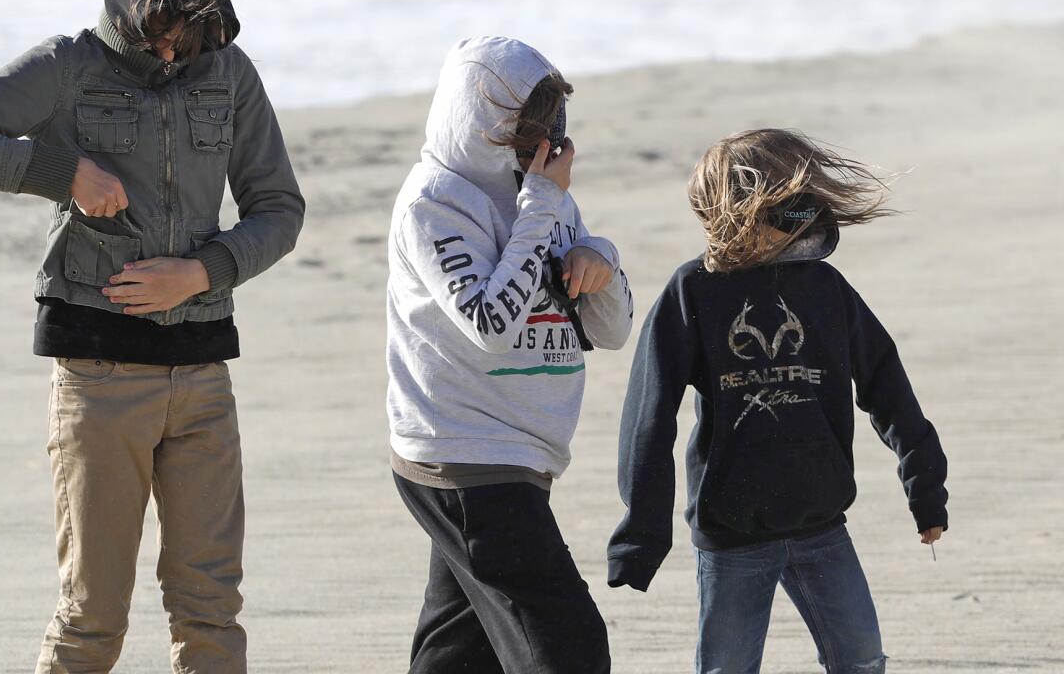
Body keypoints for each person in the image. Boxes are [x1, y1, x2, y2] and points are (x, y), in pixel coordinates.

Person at [0, 0, 304, 673]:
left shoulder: (230, 73)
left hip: (204, 378)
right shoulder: (67, 66)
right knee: (93, 619)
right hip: (98, 381)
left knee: (211, 612)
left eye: (183, 44)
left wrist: (205, 271)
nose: (168, 56)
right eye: (156, 39)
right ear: (127, 13)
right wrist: (62, 172)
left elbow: (279, 208)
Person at [606, 128, 948, 674]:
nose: (801, 221)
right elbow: (648, 417)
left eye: (804, 206)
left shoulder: (824, 288)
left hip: (821, 523)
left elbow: (886, 385)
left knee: (862, 662)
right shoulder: (693, 291)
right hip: (733, 534)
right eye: (786, 209)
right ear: (737, 211)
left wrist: (925, 486)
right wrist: (640, 537)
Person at [386, 36, 634, 673]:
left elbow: (611, 329)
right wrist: (541, 210)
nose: (535, 151)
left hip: (520, 454)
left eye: (547, 132)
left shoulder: (545, 195)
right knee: (566, 645)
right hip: (466, 451)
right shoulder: (433, 204)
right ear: (478, 124)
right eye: (521, 137)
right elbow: (490, 323)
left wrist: (598, 257)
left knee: (456, 655)